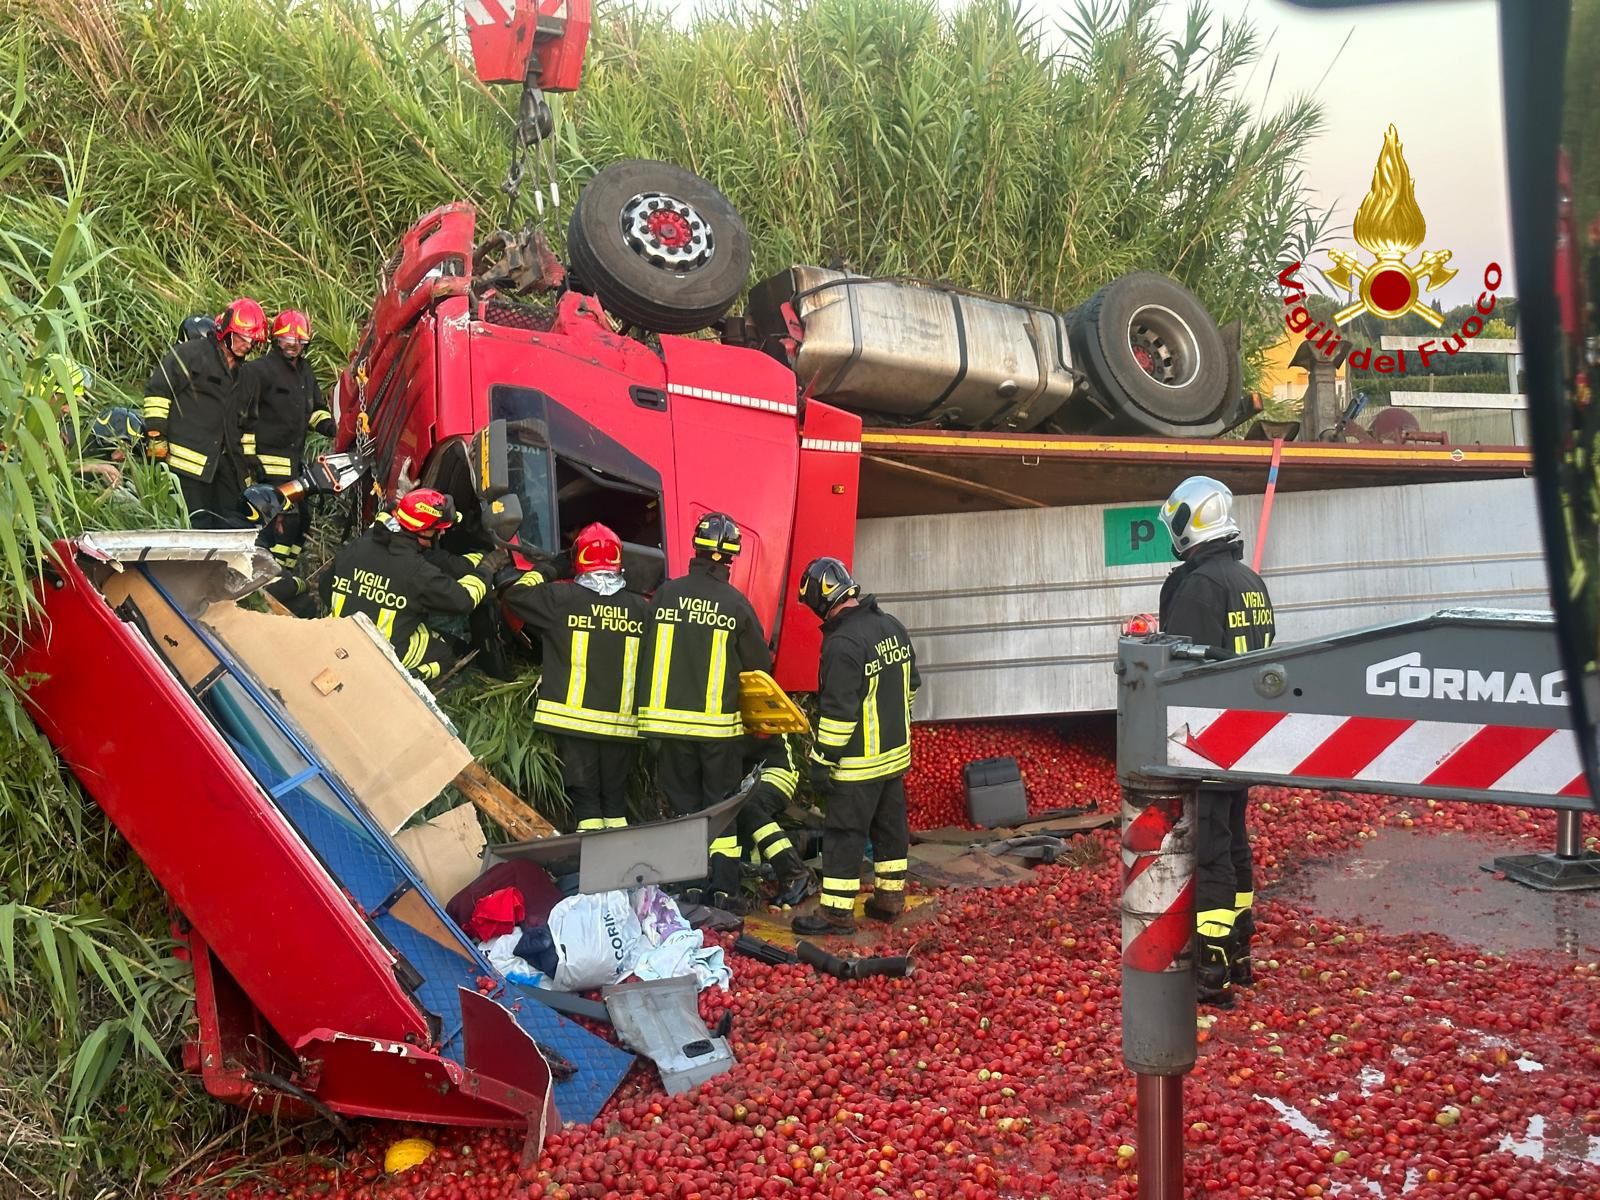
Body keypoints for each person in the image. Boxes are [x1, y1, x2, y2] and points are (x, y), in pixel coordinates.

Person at [1156, 475, 1276, 1008]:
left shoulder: (1200, 587)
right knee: (1235, 842)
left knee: (1210, 854)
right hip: (1247, 736)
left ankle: (1212, 967)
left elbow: (1181, 667)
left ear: (1189, 524)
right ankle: (1241, 947)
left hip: (1207, 742)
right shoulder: (1250, 580)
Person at [637, 512, 772, 909]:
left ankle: (688, 887)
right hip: (716, 734)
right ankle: (724, 890)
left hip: (667, 728)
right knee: (721, 812)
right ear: (731, 557)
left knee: (684, 810)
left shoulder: (665, 595)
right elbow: (758, 669)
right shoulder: (736, 604)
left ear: (696, 549)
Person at [791, 557, 920, 938]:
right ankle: (889, 900)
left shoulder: (842, 643)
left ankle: (835, 913)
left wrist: (821, 761)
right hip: (894, 758)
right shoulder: (890, 626)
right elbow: (910, 687)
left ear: (820, 598)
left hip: (858, 764)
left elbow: (838, 714)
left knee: (845, 834)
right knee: (890, 830)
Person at [499, 522, 651, 833]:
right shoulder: (641, 608)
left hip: (574, 720)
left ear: (577, 560)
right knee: (615, 799)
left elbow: (514, 595)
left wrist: (549, 569)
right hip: (621, 726)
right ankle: (620, 862)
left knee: (586, 803)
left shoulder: (561, 597)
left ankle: (591, 860)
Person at [320, 488, 503, 682]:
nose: (442, 532)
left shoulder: (360, 545)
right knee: (448, 652)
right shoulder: (416, 572)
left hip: (338, 641)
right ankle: (406, 678)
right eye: (438, 528)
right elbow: (462, 600)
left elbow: (325, 587)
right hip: (380, 653)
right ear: (423, 530)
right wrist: (488, 568)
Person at [143, 299, 267, 528]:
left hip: (225, 471)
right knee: (190, 530)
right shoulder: (191, 354)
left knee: (229, 528)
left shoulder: (248, 377)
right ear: (225, 331)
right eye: (241, 338)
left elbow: (247, 426)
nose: (246, 345)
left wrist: (248, 465)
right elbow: (158, 392)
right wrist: (156, 435)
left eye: (252, 341)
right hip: (184, 470)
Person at [246, 310, 336, 590]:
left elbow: (316, 411)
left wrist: (334, 429)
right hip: (266, 465)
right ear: (275, 339)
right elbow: (243, 415)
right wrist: (249, 461)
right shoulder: (259, 371)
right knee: (279, 523)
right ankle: (266, 579)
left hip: (294, 464)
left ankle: (282, 575)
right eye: (286, 338)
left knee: (300, 521)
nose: (293, 344)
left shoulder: (305, 372)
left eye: (299, 340)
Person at [737, 733, 817, 908]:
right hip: (746, 779)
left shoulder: (757, 709)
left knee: (748, 808)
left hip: (774, 770)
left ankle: (794, 873)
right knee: (743, 815)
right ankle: (753, 881)